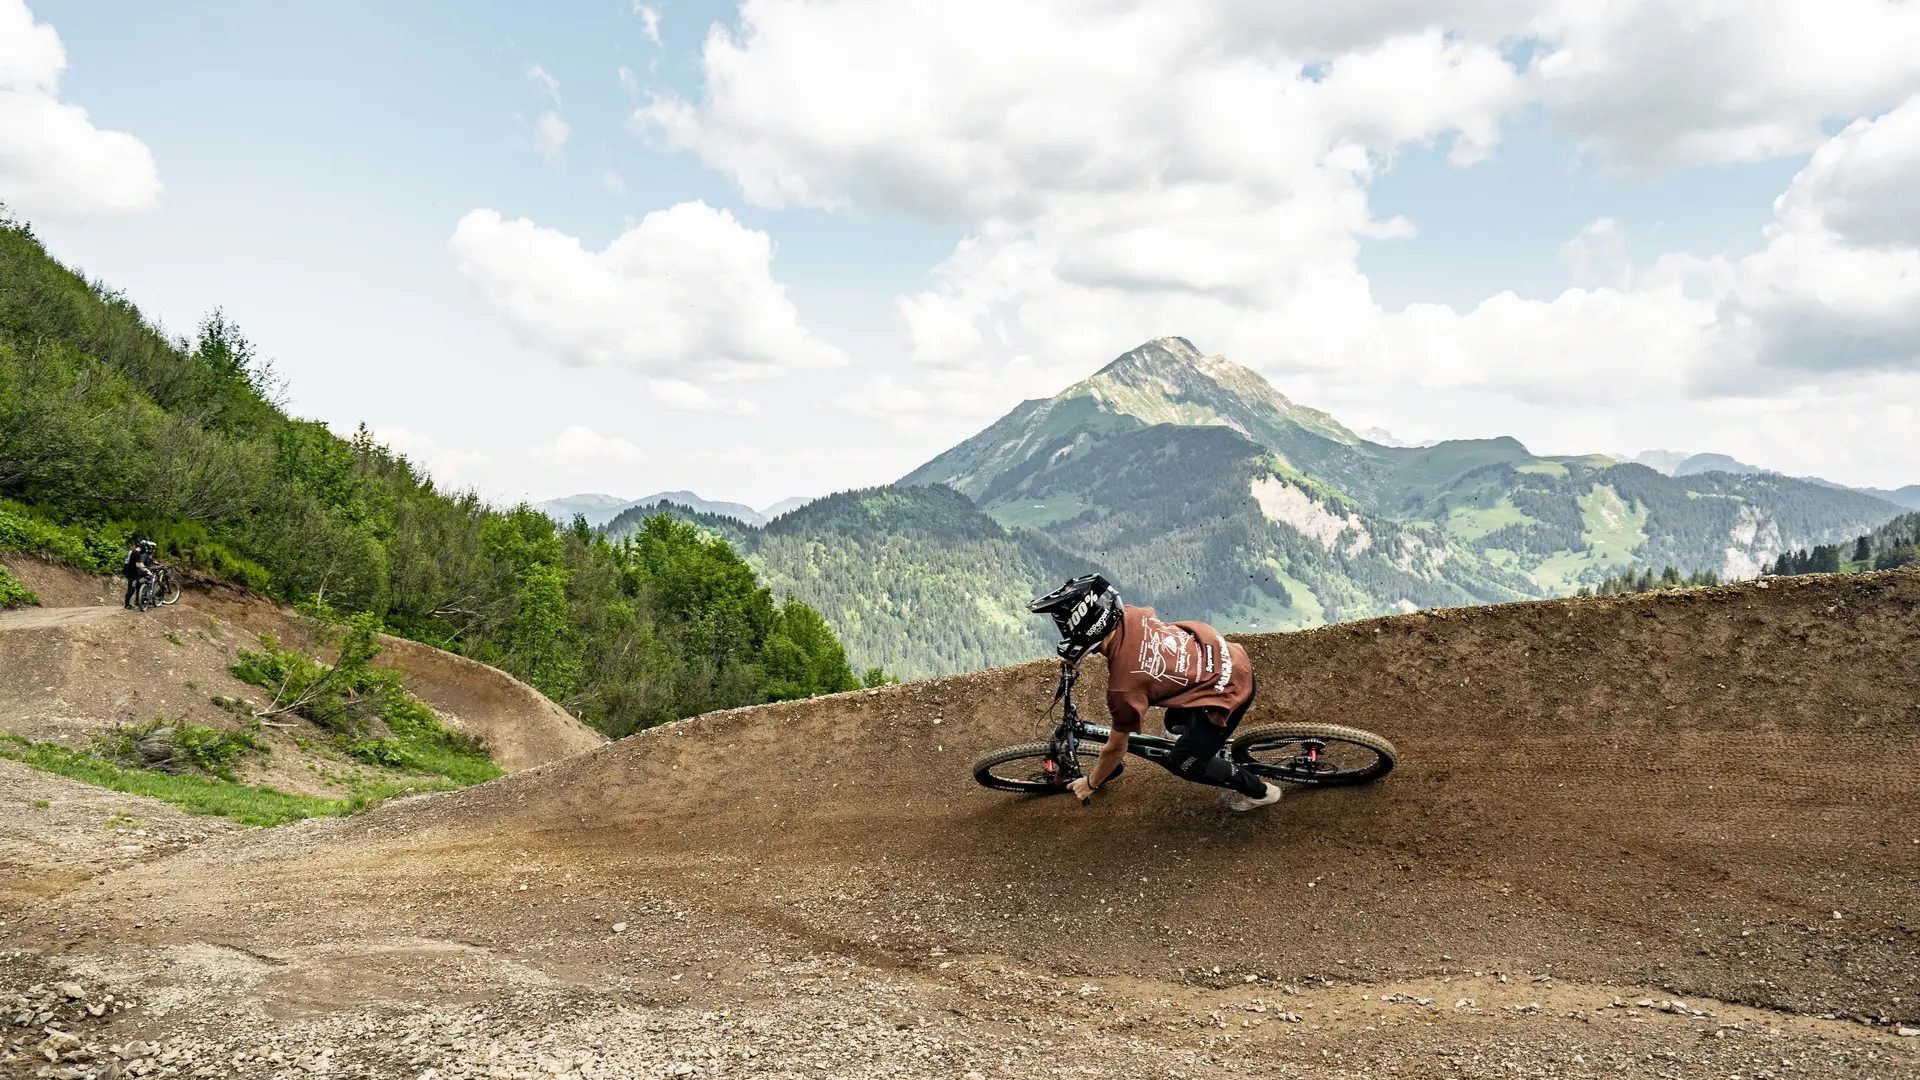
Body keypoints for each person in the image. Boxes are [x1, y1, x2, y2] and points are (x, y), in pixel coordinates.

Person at [1030, 574, 1283, 811]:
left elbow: (1115, 749)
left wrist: (1091, 783)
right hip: (1226, 657)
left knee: (1185, 764)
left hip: (1229, 689)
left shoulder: (1124, 688)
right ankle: (1202, 744)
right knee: (1173, 722)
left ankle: (1261, 792)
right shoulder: (1131, 615)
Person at [122, 538, 154, 609]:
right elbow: (138, 565)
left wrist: (144, 568)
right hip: (132, 572)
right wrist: (146, 570)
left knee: (138, 584)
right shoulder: (137, 554)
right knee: (132, 589)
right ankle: (127, 605)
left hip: (129, 571)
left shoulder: (131, 551)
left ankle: (138, 601)